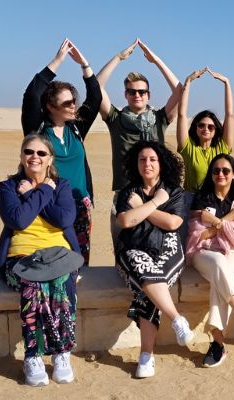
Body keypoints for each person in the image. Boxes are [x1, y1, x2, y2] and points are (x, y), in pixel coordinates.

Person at [0, 133, 81, 387]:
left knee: (63, 281)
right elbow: (18, 220)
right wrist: (41, 192)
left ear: (50, 159)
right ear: (21, 156)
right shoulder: (8, 187)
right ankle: (33, 355)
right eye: (29, 152)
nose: (35, 157)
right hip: (20, 255)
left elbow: (64, 219)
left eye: (41, 153)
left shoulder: (61, 185)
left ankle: (62, 353)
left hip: (59, 254)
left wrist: (35, 193)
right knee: (33, 283)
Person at [115, 140, 192, 378]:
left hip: (168, 248)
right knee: (147, 279)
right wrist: (157, 202)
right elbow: (126, 222)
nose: (147, 164)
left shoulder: (174, 191)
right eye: (142, 159)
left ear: (161, 164)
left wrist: (144, 209)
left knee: (146, 287)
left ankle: (146, 356)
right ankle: (177, 320)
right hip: (133, 249)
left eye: (152, 159)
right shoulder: (127, 192)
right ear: (135, 164)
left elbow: (173, 224)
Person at [95, 39, 182, 249]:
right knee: (122, 249)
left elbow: (180, 90)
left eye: (141, 92)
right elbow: (95, 86)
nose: (137, 95)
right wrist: (118, 58)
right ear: (125, 94)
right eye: (132, 91)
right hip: (126, 194)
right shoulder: (115, 118)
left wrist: (156, 61)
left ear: (148, 95)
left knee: (158, 248)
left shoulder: (160, 118)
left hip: (158, 195)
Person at [22, 38, 102, 264]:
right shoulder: (38, 131)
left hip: (80, 204)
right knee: (52, 257)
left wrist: (84, 65)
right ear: (50, 106)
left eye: (73, 101)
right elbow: (31, 94)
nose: (73, 107)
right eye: (66, 103)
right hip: (49, 203)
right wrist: (57, 62)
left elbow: (95, 98)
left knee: (80, 260)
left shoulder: (76, 128)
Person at [185, 154, 234, 367]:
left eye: (226, 171)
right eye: (216, 170)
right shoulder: (201, 199)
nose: (220, 174)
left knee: (220, 278)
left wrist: (216, 223)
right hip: (204, 253)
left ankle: (218, 345)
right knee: (219, 265)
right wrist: (229, 221)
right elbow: (198, 236)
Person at [177, 67, 234, 200]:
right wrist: (188, 81)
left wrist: (227, 83)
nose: (206, 129)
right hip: (192, 200)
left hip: (218, 199)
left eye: (211, 127)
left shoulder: (222, 148)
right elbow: (181, 115)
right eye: (201, 125)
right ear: (196, 127)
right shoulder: (188, 148)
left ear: (216, 130)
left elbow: (230, 115)